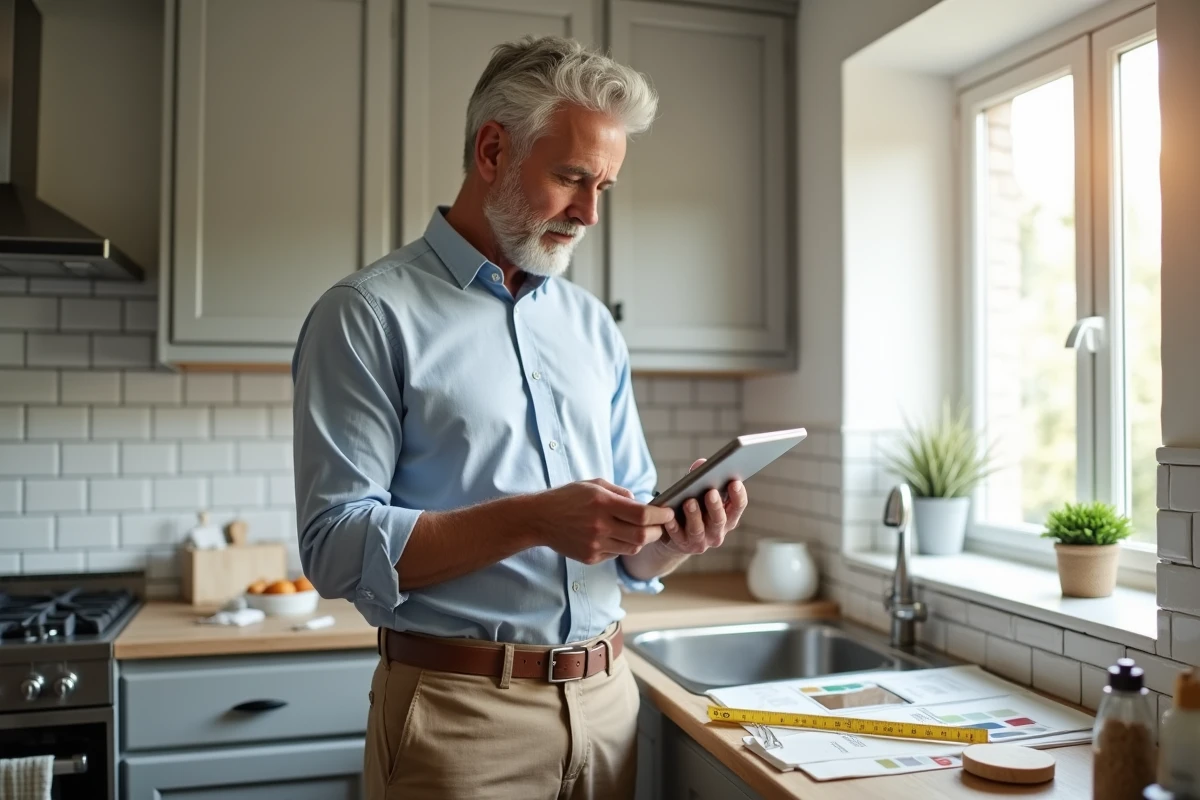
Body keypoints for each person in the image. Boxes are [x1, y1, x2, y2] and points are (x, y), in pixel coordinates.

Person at [291, 35, 749, 800]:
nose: (591, 212)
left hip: (608, 704)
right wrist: (536, 519)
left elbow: (628, 549)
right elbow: (334, 547)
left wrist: (674, 535)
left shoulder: (593, 325)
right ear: (493, 151)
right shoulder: (366, 314)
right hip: (459, 719)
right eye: (572, 178)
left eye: (605, 186)